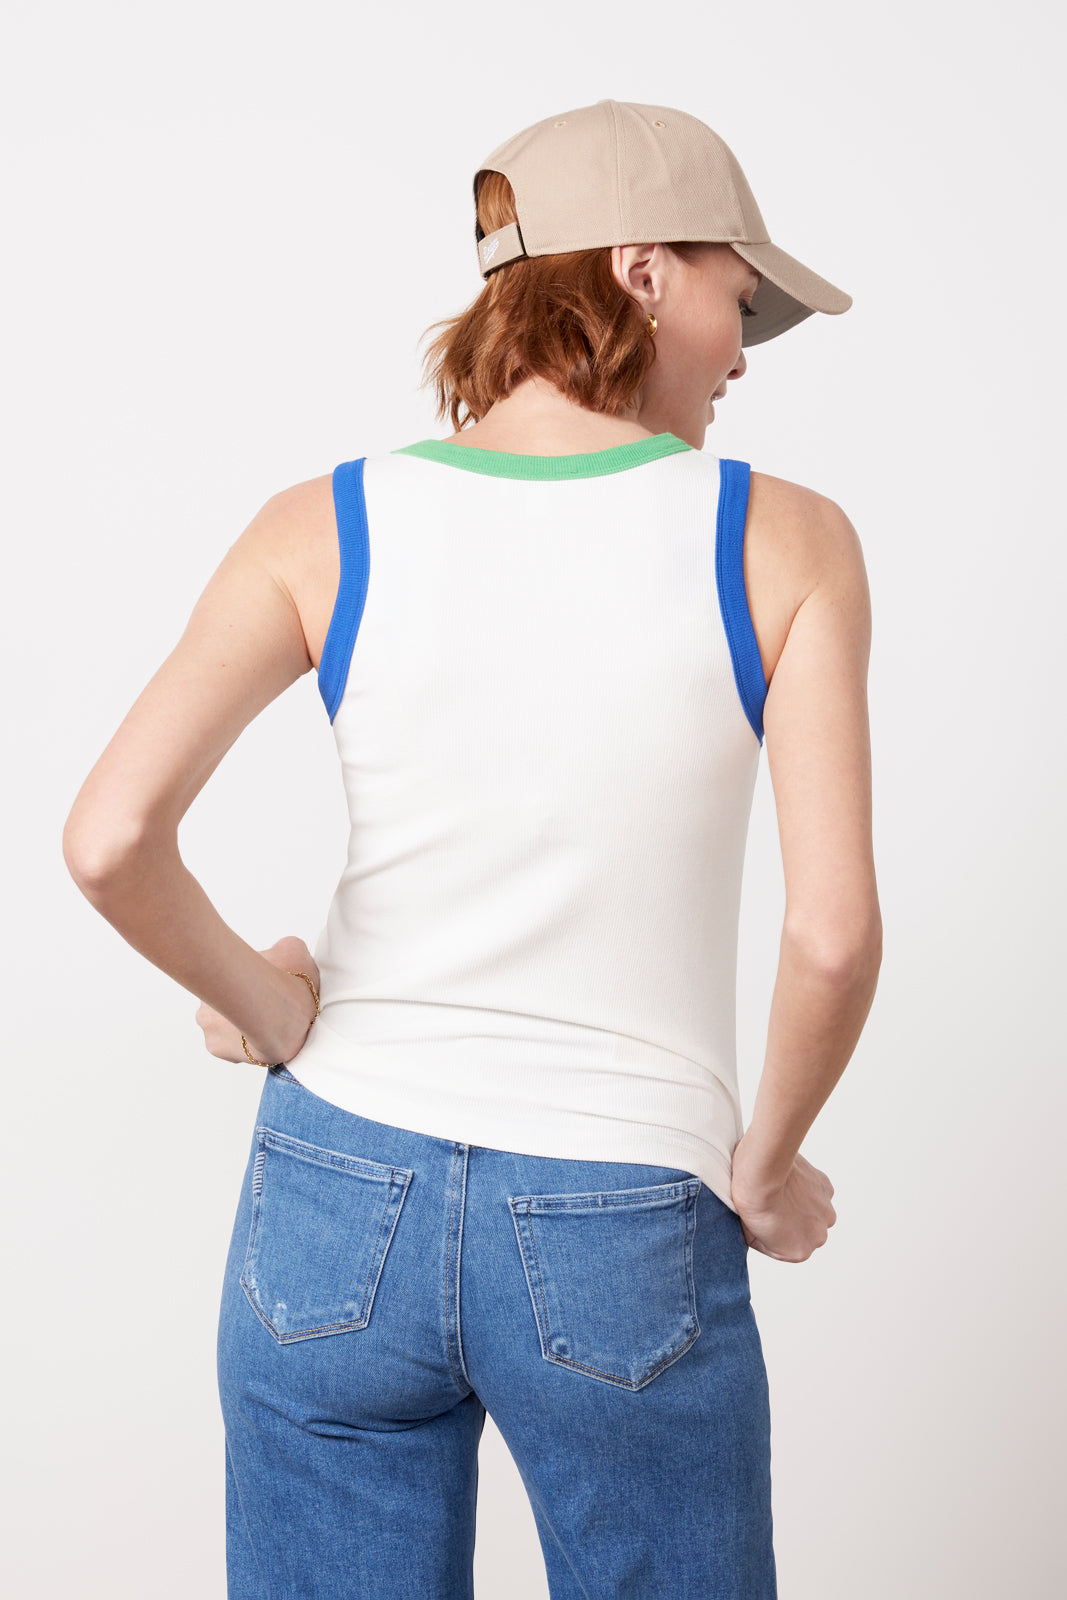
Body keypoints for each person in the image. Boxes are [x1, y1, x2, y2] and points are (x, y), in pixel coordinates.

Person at [63, 99, 881, 1599]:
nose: (744, 351)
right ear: (643, 271)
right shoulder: (782, 539)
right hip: (621, 1209)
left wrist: (267, 1006)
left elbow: (111, 837)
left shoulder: (326, 523)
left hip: (332, 1190)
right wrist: (765, 1171)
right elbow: (830, 937)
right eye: (739, 298)